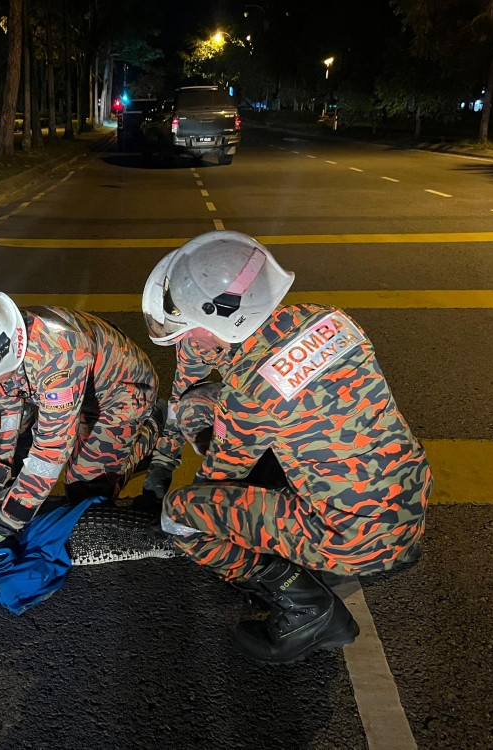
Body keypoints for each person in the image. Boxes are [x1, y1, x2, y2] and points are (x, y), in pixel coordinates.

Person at [142, 231, 432, 664]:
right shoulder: (326, 317)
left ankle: (305, 609)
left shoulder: (249, 393)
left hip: (354, 539)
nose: (184, 344)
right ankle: (311, 531)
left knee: (184, 517)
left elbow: (217, 482)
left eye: (186, 331)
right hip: (410, 500)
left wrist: (164, 489)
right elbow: (195, 384)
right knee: (218, 412)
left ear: (220, 324)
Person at [0, 294, 160, 564]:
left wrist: (7, 523)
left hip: (120, 396)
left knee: (85, 490)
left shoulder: (60, 356)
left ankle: (150, 431)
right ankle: (93, 437)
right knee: (42, 461)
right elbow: (10, 414)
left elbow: (50, 452)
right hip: (69, 393)